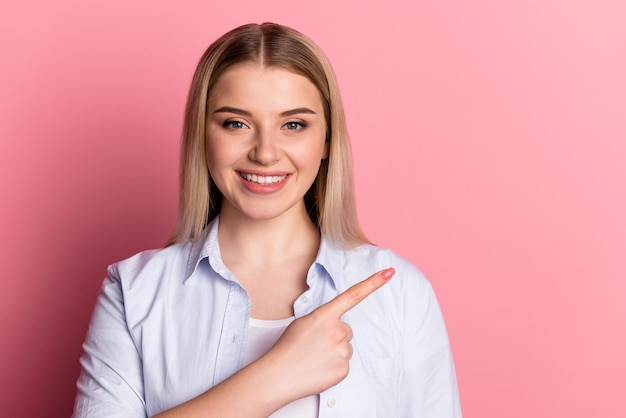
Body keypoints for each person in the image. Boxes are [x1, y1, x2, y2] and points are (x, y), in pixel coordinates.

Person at [72, 22, 461, 418]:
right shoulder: (133, 292)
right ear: (202, 135)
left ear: (327, 140)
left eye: (293, 125)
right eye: (236, 123)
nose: (265, 152)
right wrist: (277, 377)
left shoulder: (400, 293)